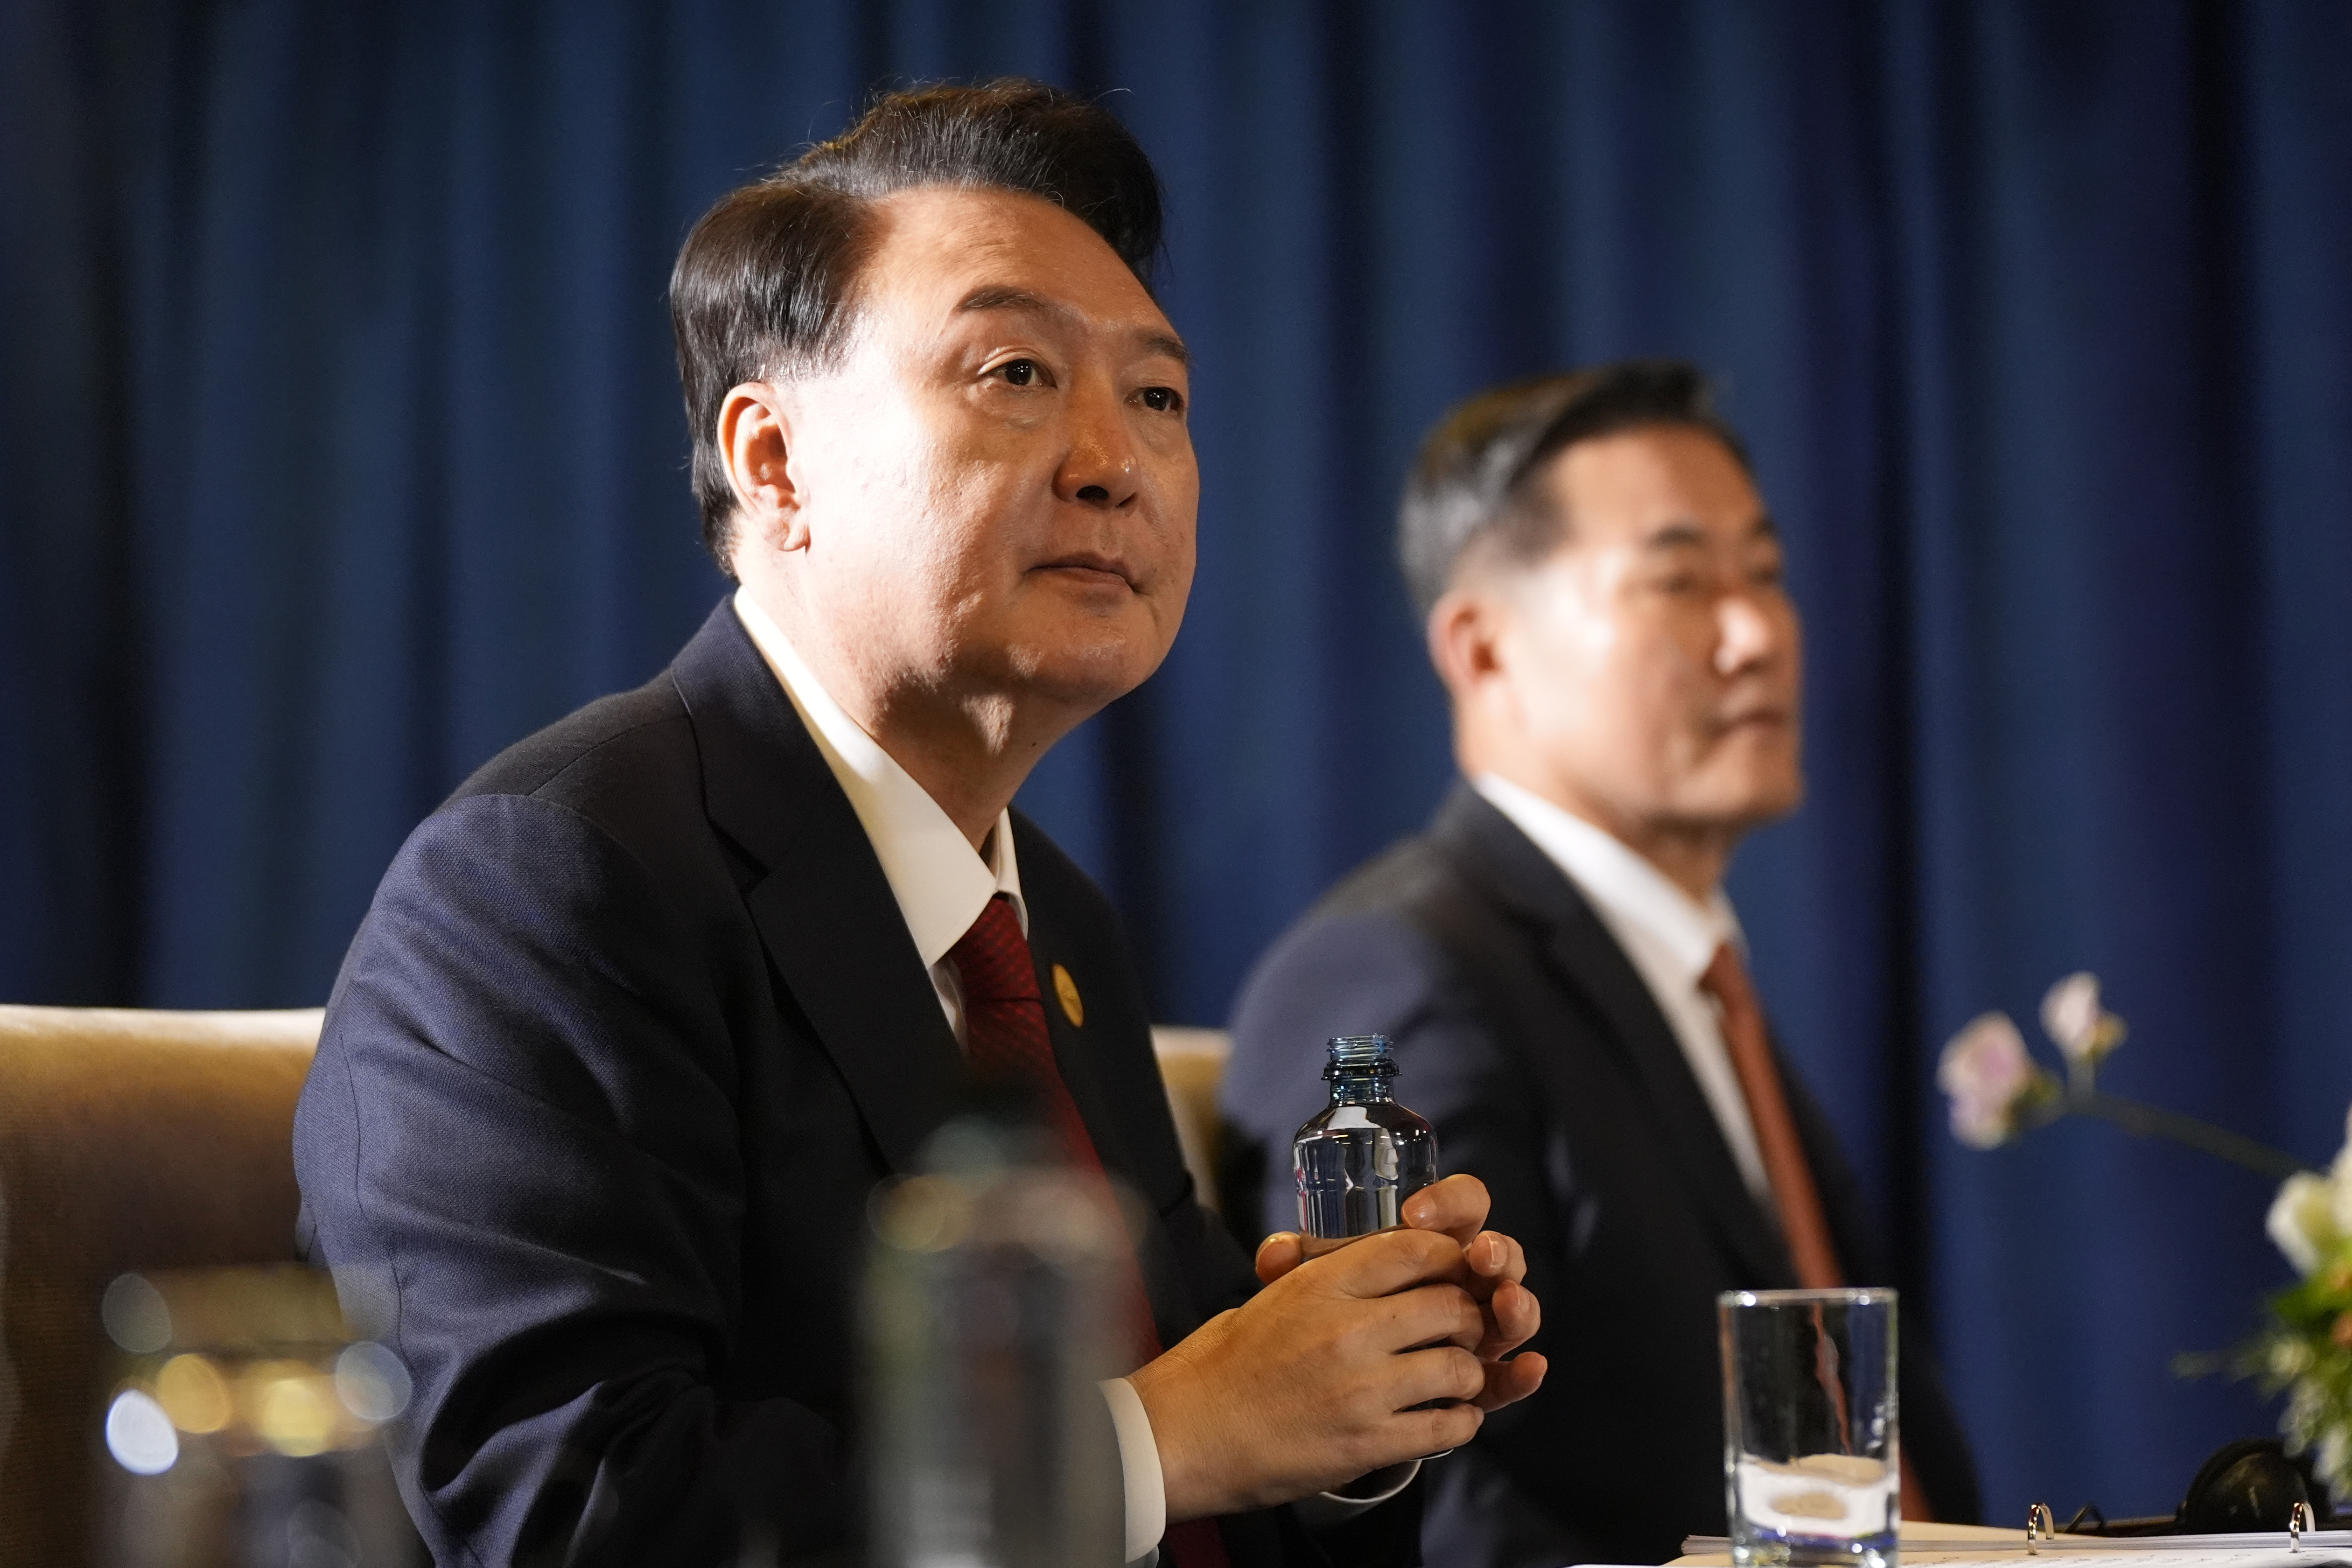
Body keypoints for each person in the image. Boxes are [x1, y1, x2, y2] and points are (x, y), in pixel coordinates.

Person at [293, 81, 1546, 1568]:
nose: (1115, 460)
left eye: (1158, 395)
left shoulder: (1048, 928)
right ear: (774, 462)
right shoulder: (549, 885)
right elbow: (566, 1504)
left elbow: (1204, 1442)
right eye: (1015, 372)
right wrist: (1165, 1437)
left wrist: (1352, 1398)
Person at [1219, 363, 1982, 1568]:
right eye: (1680, 581)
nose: (1755, 634)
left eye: (1768, 577)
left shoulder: (1691, 976)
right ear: (1483, 650)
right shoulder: (1403, 972)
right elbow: (1435, 1507)